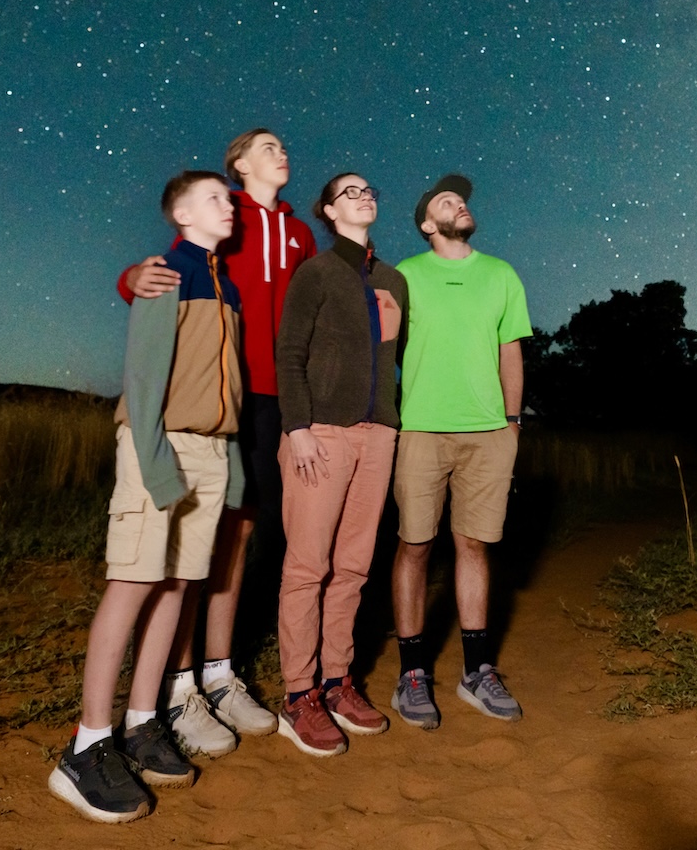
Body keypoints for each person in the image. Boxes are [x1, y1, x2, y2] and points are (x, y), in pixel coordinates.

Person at [49, 171, 246, 823]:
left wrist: (232, 460)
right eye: (217, 197)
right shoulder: (167, 271)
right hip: (157, 445)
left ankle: (141, 721)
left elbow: (228, 384)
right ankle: (86, 746)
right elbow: (143, 372)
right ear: (182, 212)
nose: (230, 205)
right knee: (133, 583)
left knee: (180, 585)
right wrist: (157, 460)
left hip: (212, 451)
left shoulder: (229, 284)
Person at [116, 129, 312, 754]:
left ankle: (220, 675)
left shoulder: (301, 232)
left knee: (245, 532)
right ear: (238, 166)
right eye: (267, 145)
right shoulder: (229, 218)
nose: (283, 152)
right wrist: (131, 276)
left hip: (280, 397)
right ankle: (176, 685)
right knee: (207, 537)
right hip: (229, 394)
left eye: (284, 145)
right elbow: (172, 269)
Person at [270, 173, 409, 756]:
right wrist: (297, 427)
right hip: (320, 433)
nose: (365, 194)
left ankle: (336, 680)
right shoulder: (318, 272)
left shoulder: (394, 280)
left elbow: (399, 356)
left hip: (379, 434)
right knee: (308, 566)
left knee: (353, 566)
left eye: (370, 188)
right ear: (329, 210)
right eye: (350, 191)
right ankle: (297, 694)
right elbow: (290, 351)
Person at [389, 174, 533, 728]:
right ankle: (412, 675)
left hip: (488, 433)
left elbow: (510, 351)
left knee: (473, 545)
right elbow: (384, 346)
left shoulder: (500, 275)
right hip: (421, 430)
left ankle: (476, 671)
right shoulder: (406, 275)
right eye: (446, 200)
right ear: (428, 224)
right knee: (415, 546)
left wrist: (512, 423)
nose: (461, 202)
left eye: (463, 198)